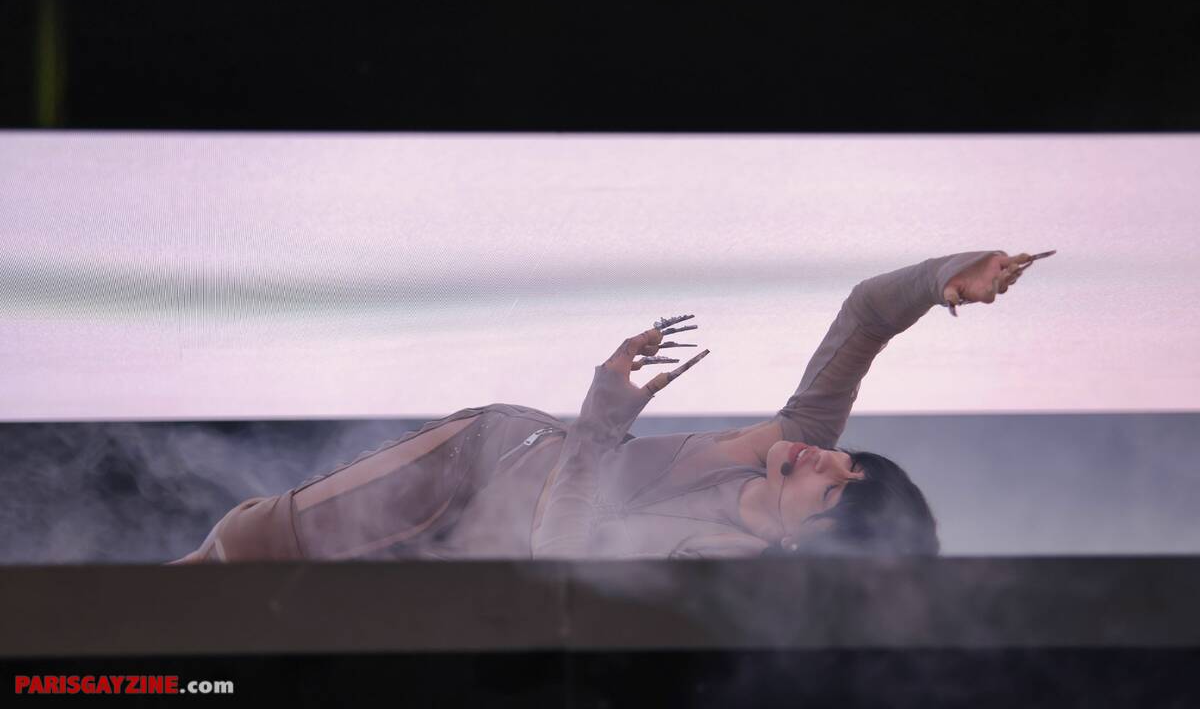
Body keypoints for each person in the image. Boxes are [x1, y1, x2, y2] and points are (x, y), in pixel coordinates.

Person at [170, 249, 1047, 563]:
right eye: (851, 463)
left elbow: (561, 564)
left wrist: (599, 423)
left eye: (835, 487)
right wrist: (946, 277)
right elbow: (865, 314)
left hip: (471, 536)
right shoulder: (799, 439)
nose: (828, 459)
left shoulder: (718, 558)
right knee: (250, 547)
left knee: (260, 610)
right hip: (479, 459)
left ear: (811, 543)